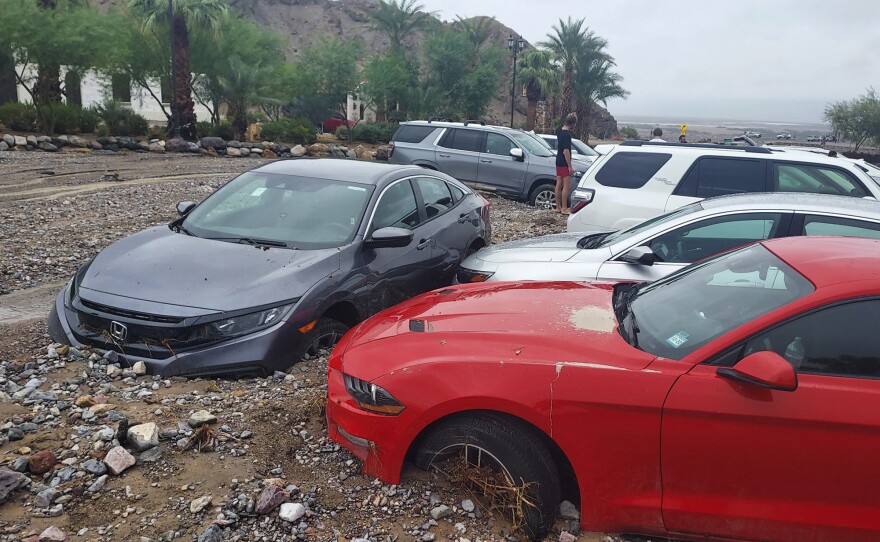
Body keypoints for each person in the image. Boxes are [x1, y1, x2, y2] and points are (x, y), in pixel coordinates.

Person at [555, 113, 577, 214]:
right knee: (566, 185)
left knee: (558, 183)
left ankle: (558, 207)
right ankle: (564, 208)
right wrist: (570, 166)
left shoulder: (559, 132)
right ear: (572, 124)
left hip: (558, 160)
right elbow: (566, 151)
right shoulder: (567, 135)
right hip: (564, 162)